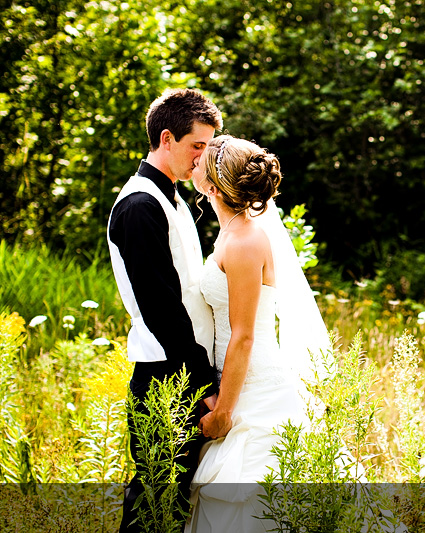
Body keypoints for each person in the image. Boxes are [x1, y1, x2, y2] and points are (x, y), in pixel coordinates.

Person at [184, 135, 332, 532]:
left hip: (255, 388)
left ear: (213, 186)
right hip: (235, 379)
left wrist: (224, 413)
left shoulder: (246, 241)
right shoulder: (230, 233)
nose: (194, 161)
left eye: (201, 160)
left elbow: (243, 335)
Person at [107, 88, 223, 532]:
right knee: (154, 503)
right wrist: (203, 385)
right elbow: (161, 310)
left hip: (183, 369)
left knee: (175, 505)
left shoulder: (172, 198)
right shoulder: (140, 205)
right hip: (166, 375)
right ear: (167, 138)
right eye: (197, 146)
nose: (202, 158)